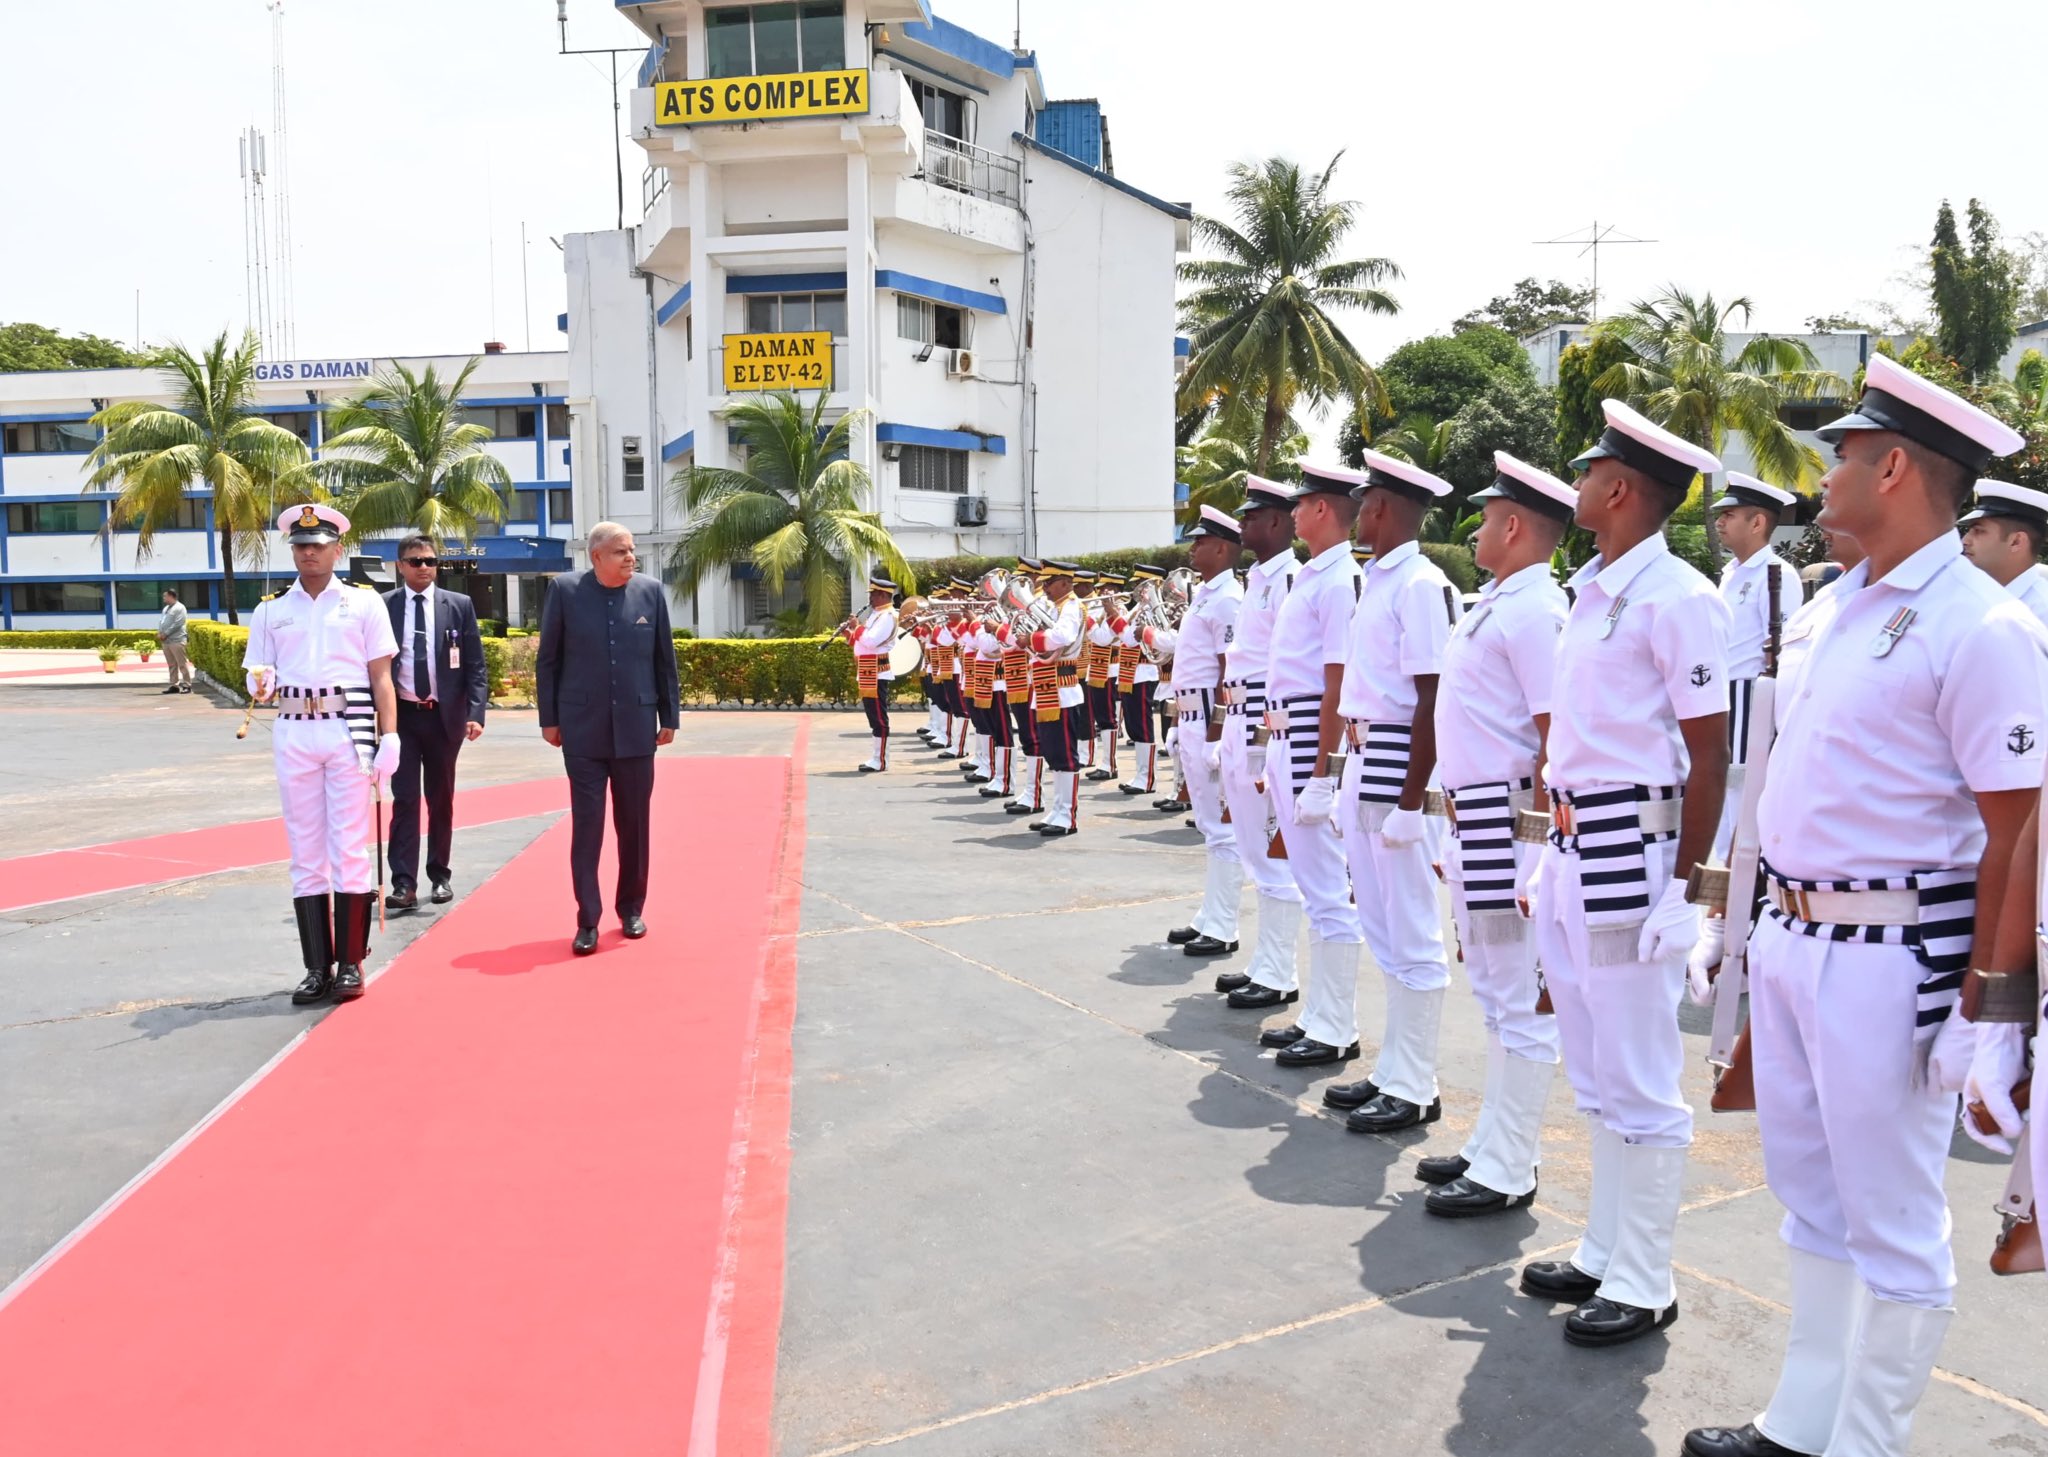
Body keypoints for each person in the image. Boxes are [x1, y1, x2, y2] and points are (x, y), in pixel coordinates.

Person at [1684, 355, 2047, 1457]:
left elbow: (2018, 830)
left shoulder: (1980, 627)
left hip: (1895, 950)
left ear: (1891, 465)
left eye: (1840, 451)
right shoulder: (1836, 606)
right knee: (1809, 1197)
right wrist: (1727, 916)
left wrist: (1994, 1010)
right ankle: (1802, 1421)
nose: (1824, 470)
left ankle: (1864, 1443)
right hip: (1794, 935)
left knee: (1890, 1224)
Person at [1520, 399, 1729, 1349]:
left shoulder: (1678, 595)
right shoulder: (1595, 591)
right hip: (1573, 846)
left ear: (1622, 487)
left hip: (1632, 852)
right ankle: (1606, 1248)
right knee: (1598, 1066)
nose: (1578, 482)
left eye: (1589, 468)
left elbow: (1710, 751)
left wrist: (1688, 891)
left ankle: (1646, 1277)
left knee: (1642, 1071)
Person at [1417, 452, 1572, 1218]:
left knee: (1518, 1003)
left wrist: (1539, 850)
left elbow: (1556, 736)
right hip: (1473, 816)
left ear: (1515, 525)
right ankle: (1497, 1143)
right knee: (1493, 996)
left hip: (1511, 823)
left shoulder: (1536, 610)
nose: (1476, 528)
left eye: (1486, 516)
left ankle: (1511, 1166)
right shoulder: (1498, 603)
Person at [1316, 450, 1458, 1134]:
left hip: (1400, 755)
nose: (1359, 513)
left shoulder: (1420, 584)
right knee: (1380, 924)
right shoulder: (1377, 581)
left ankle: (1414, 1081)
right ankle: (1395, 1066)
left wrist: (1411, 800)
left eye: (1367, 501)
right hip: (1365, 754)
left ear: (1385, 508)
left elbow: (1433, 695)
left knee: (1412, 929)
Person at [242, 503, 399, 1005]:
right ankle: (316, 967)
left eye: (318, 545)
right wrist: (258, 681)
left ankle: (351, 961)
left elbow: (381, 677)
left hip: (346, 729)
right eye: (301, 546)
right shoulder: (271, 609)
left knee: (349, 846)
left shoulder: (364, 603)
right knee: (305, 850)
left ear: (337, 549)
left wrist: (389, 735)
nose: (309, 553)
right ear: (292, 550)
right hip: (292, 729)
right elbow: (258, 681)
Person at [1258, 464, 1367, 1067]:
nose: (1293, 514)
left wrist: (1326, 770)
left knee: (1328, 890)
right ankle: (1321, 1014)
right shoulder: (1314, 577)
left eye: (1301, 505)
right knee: (1311, 884)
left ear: (1323, 509)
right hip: (1285, 731)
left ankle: (1335, 1024)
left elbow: (1337, 681)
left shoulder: (1336, 579)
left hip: (1307, 734)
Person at [535, 522, 681, 956]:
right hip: (581, 731)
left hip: (637, 731)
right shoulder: (565, 590)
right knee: (588, 828)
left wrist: (669, 715)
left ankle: (631, 908)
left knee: (634, 827)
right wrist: (550, 719)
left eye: (631, 550)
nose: (630, 557)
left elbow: (663, 659)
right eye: (620, 551)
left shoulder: (650, 592)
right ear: (596, 556)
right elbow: (549, 660)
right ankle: (588, 919)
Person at [1214, 476, 1305, 1008]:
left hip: (1263, 721)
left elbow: (1285, 667)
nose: (1242, 524)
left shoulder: (1290, 577)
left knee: (1275, 854)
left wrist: (1261, 737)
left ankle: (1279, 972)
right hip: (1241, 715)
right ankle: (1267, 962)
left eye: (1251, 516)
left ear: (1277, 521)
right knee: (1253, 850)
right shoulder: (1259, 578)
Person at [1704, 474, 1807, 869]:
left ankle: (1735, 871)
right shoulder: (1733, 572)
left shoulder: (1775, 573)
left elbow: (1779, 647)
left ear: (1758, 522)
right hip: (1723, 689)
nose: (1719, 522)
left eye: (1729, 515)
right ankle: (1718, 865)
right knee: (1720, 778)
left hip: (1750, 691)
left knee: (1740, 784)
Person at [1156, 506, 1246, 955]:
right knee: (1211, 829)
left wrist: (1217, 734)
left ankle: (1224, 926)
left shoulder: (1228, 597)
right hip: (1190, 716)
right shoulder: (1206, 595)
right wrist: (1176, 720)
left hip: (1209, 720)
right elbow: (1187, 667)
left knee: (1223, 830)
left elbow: (1228, 671)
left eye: (1200, 542)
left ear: (1223, 548)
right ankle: (1210, 915)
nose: (1192, 549)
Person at [382, 534, 488, 911]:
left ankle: (439, 875)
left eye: (429, 560)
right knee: (405, 799)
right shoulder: (384, 607)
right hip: (402, 719)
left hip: (445, 719)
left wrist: (476, 713)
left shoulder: (458, 605)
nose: (423, 567)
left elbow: (475, 664)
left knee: (440, 800)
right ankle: (403, 884)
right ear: (400, 566)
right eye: (415, 561)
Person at [1026, 561, 1089, 836]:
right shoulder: (1055, 607)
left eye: (1049, 583)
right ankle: (1057, 810)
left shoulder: (1072, 606)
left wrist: (1029, 637)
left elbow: (1063, 635)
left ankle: (1067, 816)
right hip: (1047, 687)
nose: (1045, 589)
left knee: (1064, 755)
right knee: (1053, 753)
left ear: (1065, 582)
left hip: (1062, 688)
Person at [1959, 479, 2048, 625]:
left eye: (1978, 531)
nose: (1965, 540)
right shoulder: (1972, 594)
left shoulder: (2041, 613)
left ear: (2016, 542)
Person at [1116, 566, 1166, 795]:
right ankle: (1141, 774)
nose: (1139, 591)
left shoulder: (1156, 609)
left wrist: (1113, 617)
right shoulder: (1138, 608)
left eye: (1143, 586)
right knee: (1134, 726)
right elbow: (1120, 635)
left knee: (1143, 726)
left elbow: (1129, 638)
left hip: (1144, 672)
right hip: (1129, 672)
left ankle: (1148, 777)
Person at [846, 573, 900, 772]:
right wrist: (849, 633)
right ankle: (876, 757)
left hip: (877, 671)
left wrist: (857, 628)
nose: (870, 598)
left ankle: (880, 759)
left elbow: (870, 641)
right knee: (872, 716)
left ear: (885, 595)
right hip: (868, 669)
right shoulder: (876, 614)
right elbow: (862, 642)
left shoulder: (888, 616)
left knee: (878, 716)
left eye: (874, 594)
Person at [155, 588, 192, 694]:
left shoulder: (180, 608)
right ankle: (174, 685)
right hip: (166, 642)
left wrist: (165, 634)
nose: (164, 598)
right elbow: (162, 622)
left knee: (182, 663)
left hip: (177, 640)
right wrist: (160, 632)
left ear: (171, 596)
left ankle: (187, 685)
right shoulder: (166, 608)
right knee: (171, 664)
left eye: (165, 596)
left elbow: (178, 623)